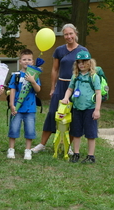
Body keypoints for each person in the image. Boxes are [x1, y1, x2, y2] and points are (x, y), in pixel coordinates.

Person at [32, 23, 89, 154]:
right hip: (61, 85)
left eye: (71, 33)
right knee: (53, 113)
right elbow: (55, 69)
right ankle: (42, 144)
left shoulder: (83, 51)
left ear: (75, 34)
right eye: (66, 34)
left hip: (77, 87)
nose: (68, 36)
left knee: (73, 116)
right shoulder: (59, 50)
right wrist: (53, 87)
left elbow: (87, 70)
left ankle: (68, 146)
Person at [61, 51, 101, 163]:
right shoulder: (75, 76)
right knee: (76, 132)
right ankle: (76, 153)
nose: (81, 64)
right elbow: (70, 89)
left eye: (84, 62)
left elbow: (98, 93)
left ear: (89, 62)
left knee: (90, 133)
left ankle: (90, 156)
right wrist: (66, 98)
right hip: (77, 108)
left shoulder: (94, 77)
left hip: (90, 109)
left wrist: (97, 110)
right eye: (79, 62)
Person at [7, 49, 41, 160]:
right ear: (20, 61)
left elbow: (38, 90)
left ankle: (28, 150)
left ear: (33, 61)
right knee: (14, 128)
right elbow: (12, 89)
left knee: (30, 129)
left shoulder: (35, 75)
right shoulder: (16, 75)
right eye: (24, 59)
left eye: (29, 59)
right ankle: (11, 149)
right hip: (17, 108)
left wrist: (33, 81)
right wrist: (12, 104)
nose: (27, 61)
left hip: (30, 109)